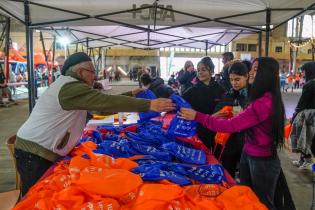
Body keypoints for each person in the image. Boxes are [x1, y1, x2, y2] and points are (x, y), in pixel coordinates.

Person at [14, 52, 175, 197]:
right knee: (34, 197)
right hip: (35, 153)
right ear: (80, 72)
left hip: (39, 150)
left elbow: (100, 106)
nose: (95, 77)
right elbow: (104, 103)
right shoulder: (70, 88)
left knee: (40, 195)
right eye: (92, 72)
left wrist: (130, 94)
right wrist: (148, 104)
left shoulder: (70, 86)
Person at [180, 57, 285, 210]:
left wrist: (197, 116)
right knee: (247, 196)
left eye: (255, 70)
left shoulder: (263, 102)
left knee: (262, 202)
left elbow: (230, 125)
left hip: (261, 160)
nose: (250, 73)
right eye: (251, 70)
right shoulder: (255, 97)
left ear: (266, 74)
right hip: (249, 153)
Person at [213, 61, 249, 178]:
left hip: (247, 142)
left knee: (246, 175)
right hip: (229, 142)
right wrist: (218, 114)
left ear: (246, 76)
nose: (234, 83)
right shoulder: (229, 94)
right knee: (228, 172)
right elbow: (216, 112)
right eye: (231, 79)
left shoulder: (252, 96)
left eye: (237, 79)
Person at [182, 56, 225, 150]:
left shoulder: (220, 89)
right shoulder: (192, 91)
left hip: (216, 130)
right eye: (198, 70)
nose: (200, 72)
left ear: (211, 71)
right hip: (198, 131)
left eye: (203, 70)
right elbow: (181, 105)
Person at [291, 62, 315, 169]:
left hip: (308, 115)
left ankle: (306, 161)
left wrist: (295, 114)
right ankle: (303, 161)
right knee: (309, 139)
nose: (302, 73)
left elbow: (302, 103)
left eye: (304, 70)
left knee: (304, 138)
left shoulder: (309, 85)